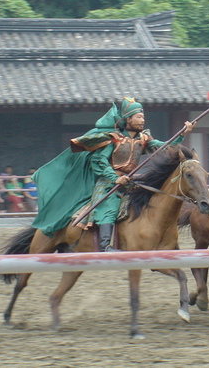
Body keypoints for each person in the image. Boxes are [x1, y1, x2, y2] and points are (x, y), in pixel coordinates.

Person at [31, 97, 194, 252]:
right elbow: (98, 161)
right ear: (128, 119)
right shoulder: (113, 138)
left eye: (143, 116)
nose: (142, 120)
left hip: (130, 182)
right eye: (138, 117)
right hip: (109, 183)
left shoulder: (143, 139)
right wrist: (115, 177)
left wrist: (182, 134)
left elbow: (163, 148)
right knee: (109, 207)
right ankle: (104, 245)